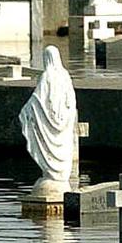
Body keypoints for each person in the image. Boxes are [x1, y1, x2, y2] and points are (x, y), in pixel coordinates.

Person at [17, 46, 78, 194]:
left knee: (48, 144)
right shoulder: (65, 76)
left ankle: (51, 175)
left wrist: (24, 111)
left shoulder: (47, 76)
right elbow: (71, 102)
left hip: (50, 124)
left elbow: (38, 99)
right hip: (64, 125)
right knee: (63, 146)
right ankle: (59, 176)